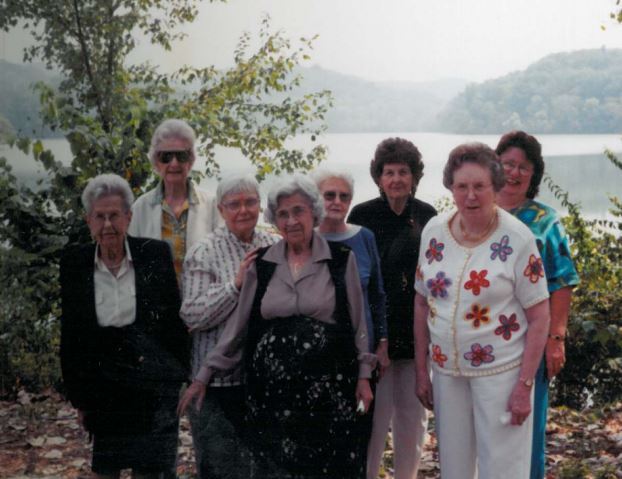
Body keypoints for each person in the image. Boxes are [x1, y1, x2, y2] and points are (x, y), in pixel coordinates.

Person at [179, 174, 375, 478]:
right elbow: (237, 328)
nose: (291, 221)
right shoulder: (262, 262)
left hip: (328, 394)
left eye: (298, 211)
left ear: (314, 213)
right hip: (272, 397)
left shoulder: (340, 260)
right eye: (282, 214)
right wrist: (203, 376)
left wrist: (364, 375)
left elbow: (358, 323)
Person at [414, 143, 551, 479]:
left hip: (501, 373)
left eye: (480, 187)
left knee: (503, 469)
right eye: (462, 187)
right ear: (451, 187)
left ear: (496, 187)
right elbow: (420, 302)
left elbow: (540, 315)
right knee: (455, 467)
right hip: (447, 374)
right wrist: (422, 369)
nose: (471, 196)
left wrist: (524, 386)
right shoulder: (434, 232)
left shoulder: (517, 239)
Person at [59, 173, 189, 478]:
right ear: (88, 221)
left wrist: (176, 379)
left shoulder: (154, 255)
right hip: (106, 389)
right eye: (99, 217)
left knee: (154, 471)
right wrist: (80, 397)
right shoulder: (75, 263)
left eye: (114, 215)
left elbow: (172, 323)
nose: (107, 225)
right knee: (107, 471)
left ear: (128, 217)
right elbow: (72, 335)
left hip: (152, 386)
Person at [179, 174, 279, 478]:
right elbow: (191, 316)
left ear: (260, 206)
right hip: (216, 385)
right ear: (221, 210)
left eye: (250, 202)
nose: (243, 210)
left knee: (263, 467)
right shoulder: (203, 251)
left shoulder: (274, 245)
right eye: (234, 204)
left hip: (261, 379)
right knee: (220, 468)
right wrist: (235, 286)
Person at [348, 138, 436, 479]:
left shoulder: (428, 216)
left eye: (403, 172)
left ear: (414, 176)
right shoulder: (362, 216)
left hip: (415, 334)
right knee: (371, 421)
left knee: (412, 423)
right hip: (375, 338)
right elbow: (357, 281)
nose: (396, 178)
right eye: (389, 172)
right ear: (379, 177)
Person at [495, 131, 580, 479]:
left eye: (524, 167)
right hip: (483, 343)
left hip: (530, 342)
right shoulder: (477, 213)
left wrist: (556, 339)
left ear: (534, 174)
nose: (514, 173)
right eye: (508, 164)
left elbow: (561, 281)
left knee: (526, 427)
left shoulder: (545, 220)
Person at [128, 118, 220, 283]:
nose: (174, 163)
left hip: (204, 302)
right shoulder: (140, 208)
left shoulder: (212, 205)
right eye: (166, 157)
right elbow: (133, 264)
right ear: (156, 161)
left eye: (181, 156)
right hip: (158, 304)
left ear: (190, 161)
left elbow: (222, 258)